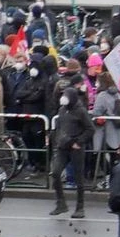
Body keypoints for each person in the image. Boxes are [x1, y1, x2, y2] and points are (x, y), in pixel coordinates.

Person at [50, 80, 90, 218]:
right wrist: (57, 139)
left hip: (75, 148)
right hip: (62, 147)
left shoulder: (81, 111)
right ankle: (61, 203)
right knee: (55, 173)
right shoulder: (62, 110)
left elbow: (90, 129)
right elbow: (59, 127)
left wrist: (79, 141)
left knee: (79, 178)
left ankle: (80, 207)